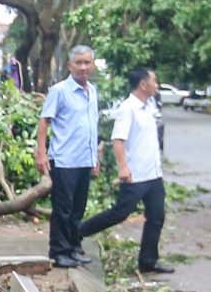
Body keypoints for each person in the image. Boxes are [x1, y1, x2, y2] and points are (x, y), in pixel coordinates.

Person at [78, 67, 174, 275]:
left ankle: (148, 261)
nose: (156, 86)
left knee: (157, 216)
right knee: (120, 213)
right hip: (135, 174)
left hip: (153, 174)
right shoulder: (128, 108)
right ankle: (77, 233)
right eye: (154, 81)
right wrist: (123, 168)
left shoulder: (149, 106)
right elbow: (118, 140)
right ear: (143, 84)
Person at [36, 45, 100, 269]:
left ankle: (73, 247)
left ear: (93, 65)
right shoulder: (60, 91)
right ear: (70, 65)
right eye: (79, 63)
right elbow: (44, 121)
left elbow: (92, 127)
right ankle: (59, 251)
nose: (83, 67)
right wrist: (41, 154)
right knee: (62, 209)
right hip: (64, 159)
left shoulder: (92, 91)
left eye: (87, 62)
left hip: (84, 159)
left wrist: (95, 159)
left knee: (77, 209)